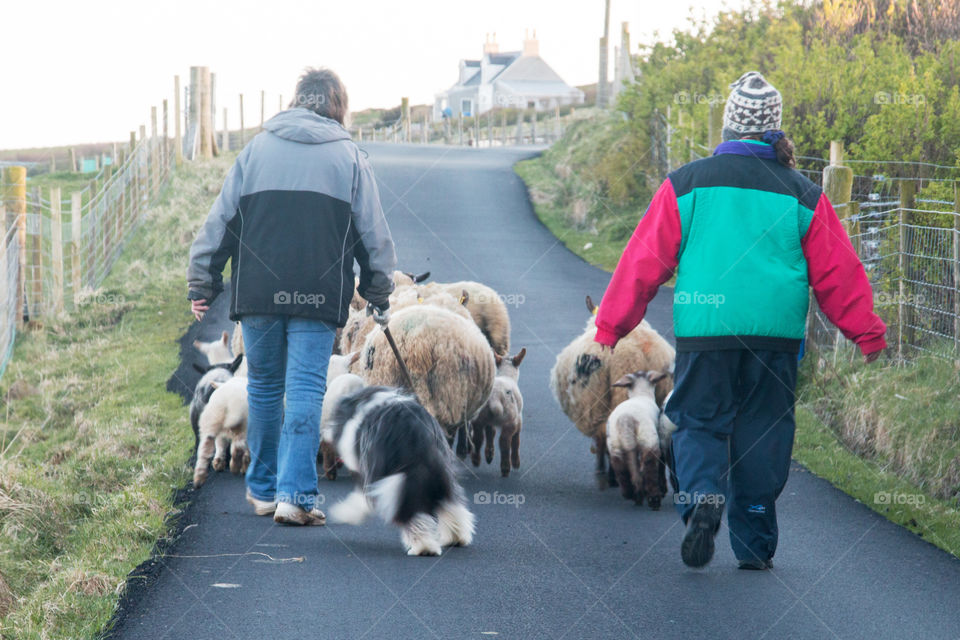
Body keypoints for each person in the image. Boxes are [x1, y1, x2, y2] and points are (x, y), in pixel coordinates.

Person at [594, 71, 886, 569]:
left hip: (706, 334)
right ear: (774, 129)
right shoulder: (802, 193)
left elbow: (643, 261)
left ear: (728, 128)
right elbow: (839, 272)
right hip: (774, 338)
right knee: (764, 430)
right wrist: (867, 333)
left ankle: (704, 499)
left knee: (697, 423)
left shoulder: (686, 184)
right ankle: (753, 541)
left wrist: (611, 325)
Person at [187, 68, 397, 525]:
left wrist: (203, 281)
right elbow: (373, 234)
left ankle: (262, 492)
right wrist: (378, 289)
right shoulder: (351, 157)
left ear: (296, 100)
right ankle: (296, 497)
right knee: (305, 389)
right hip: (317, 295)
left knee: (262, 387)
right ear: (338, 105)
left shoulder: (255, 150)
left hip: (259, 294)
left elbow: (220, 221)